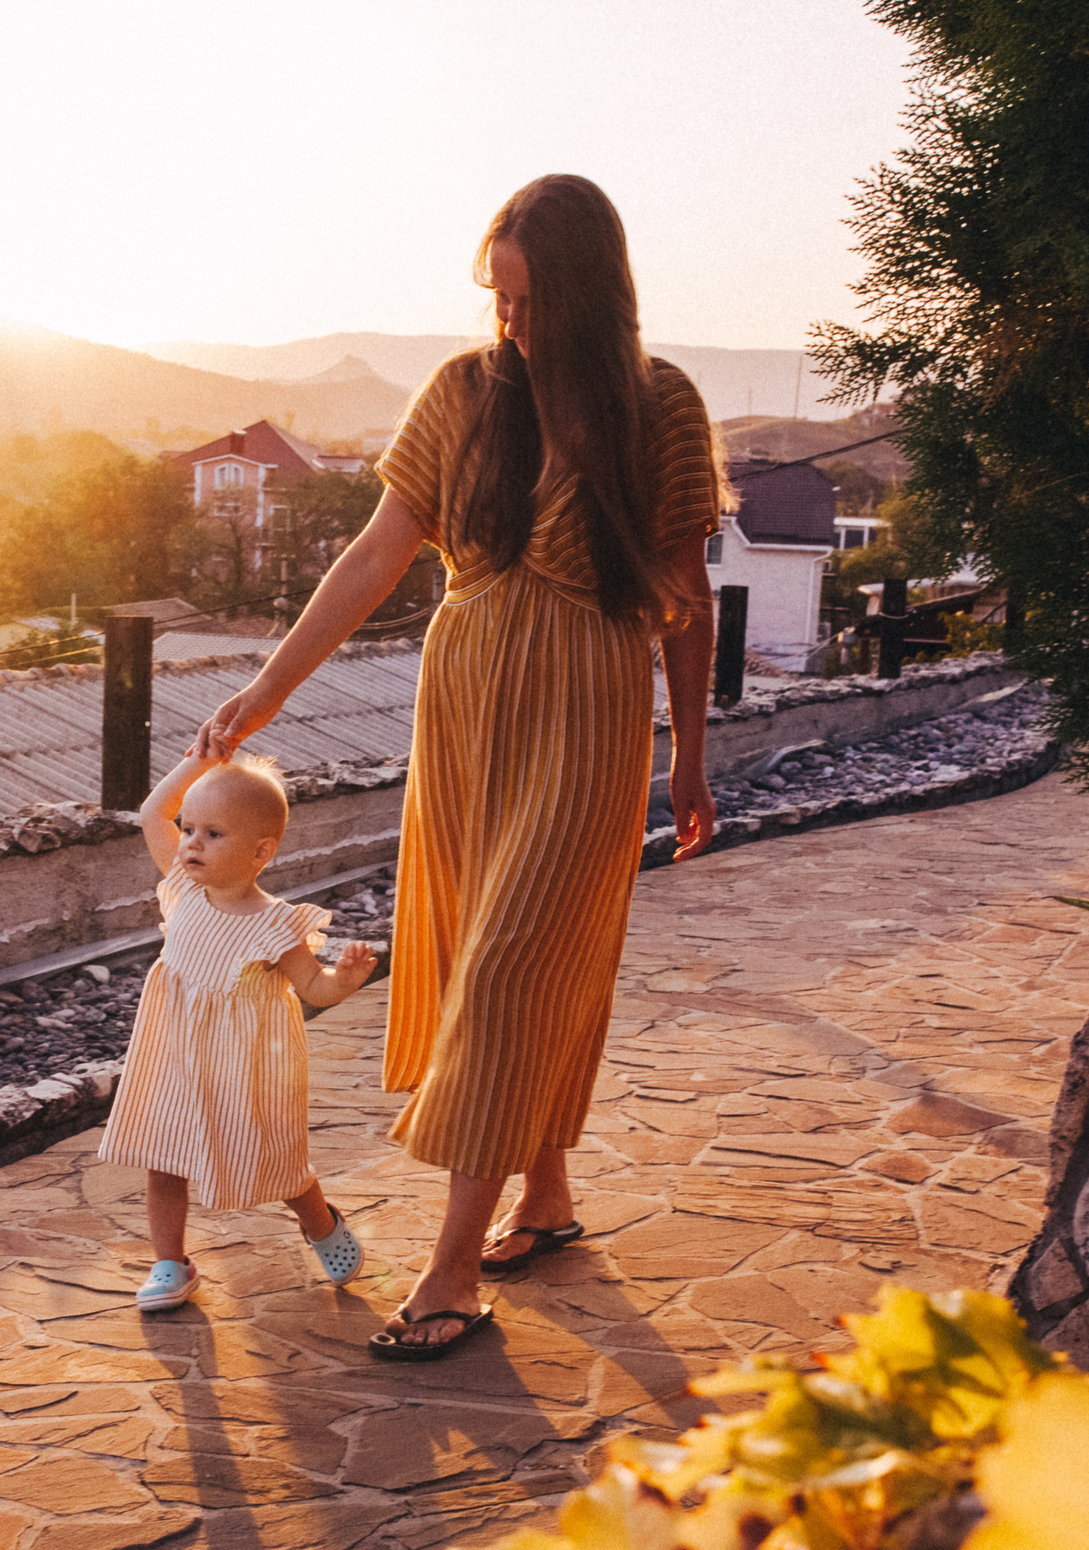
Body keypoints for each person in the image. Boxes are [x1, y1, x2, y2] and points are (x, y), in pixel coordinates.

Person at [191, 174, 723, 1359]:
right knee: (479, 943)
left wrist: (689, 759)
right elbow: (379, 552)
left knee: (513, 960)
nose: (510, 322)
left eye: (530, 301)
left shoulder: (660, 408)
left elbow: (686, 600)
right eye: (498, 297)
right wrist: (265, 689)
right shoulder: (463, 394)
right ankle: (546, 1196)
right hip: (467, 698)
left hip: (587, 699)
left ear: (585, 294)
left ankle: (446, 1269)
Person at [96, 750, 380, 1311]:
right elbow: (153, 813)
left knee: (274, 1159)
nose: (192, 843)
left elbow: (314, 990)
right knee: (164, 1151)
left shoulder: (275, 924)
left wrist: (344, 978)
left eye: (213, 833)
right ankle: (170, 1262)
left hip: (246, 1068)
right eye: (190, 829)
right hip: (175, 1054)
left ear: (261, 852)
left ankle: (320, 1223)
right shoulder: (183, 889)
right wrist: (198, 762)